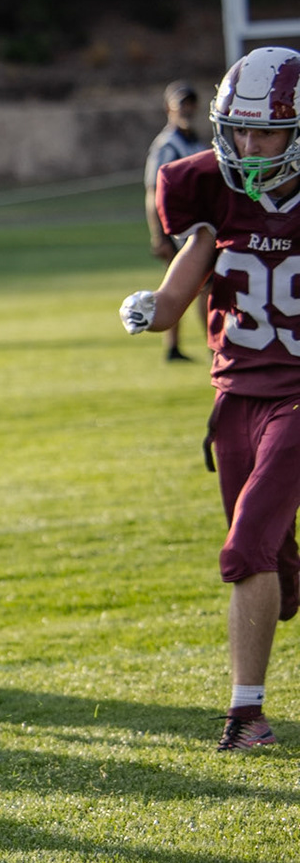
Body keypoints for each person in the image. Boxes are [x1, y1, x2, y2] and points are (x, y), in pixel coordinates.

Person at [122, 45, 300, 752]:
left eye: (266, 132)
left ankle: (245, 716)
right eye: (239, 129)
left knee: (246, 546)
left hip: (297, 394)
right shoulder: (212, 190)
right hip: (235, 396)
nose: (249, 146)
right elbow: (189, 273)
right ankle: (286, 576)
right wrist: (153, 308)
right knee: (269, 563)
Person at [145, 80, 205, 363]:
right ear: (169, 108)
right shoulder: (168, 144)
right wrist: (159, 236)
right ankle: (213, 345)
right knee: (200, 286)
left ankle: (174, 346)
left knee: (185, 286)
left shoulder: (195, 141)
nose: (187, 109)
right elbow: (153, 191)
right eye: (182, 104)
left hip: (197, 226)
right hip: (180, 229)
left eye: (191, 103)